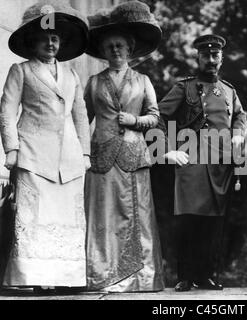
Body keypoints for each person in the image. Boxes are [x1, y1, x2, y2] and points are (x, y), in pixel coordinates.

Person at [0, 3, 91, 293]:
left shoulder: (72, 74)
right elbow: (6, 111)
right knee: (35, 215)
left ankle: (66, 278)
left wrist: (86, 153)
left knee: (65, 217)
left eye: (55, 38)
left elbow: (79, 114)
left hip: (69, 158)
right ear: (32, 42)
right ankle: (32, 277)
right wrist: (11, 150)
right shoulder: (21, 71)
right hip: (33, 154)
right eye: (44, 37)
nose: (50, 43)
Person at [84, 1, 164, 292]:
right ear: (103, 52)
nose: (115, 51)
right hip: (102, 155)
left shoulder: (143, 81)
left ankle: (140, 278)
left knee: (137, 215)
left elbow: (155, 117)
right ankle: (101, 275)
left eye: (120, 46)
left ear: (130, 50)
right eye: (109, 47)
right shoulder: (93, 83)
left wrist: (134, 119)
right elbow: (82, 120)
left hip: (134, 154)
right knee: (103, 216)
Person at [158, 34, 246, 291]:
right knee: (188, 220)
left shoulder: (229, 91)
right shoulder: (184, 88)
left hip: (221, 165)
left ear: (221, 58)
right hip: (191, 162)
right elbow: (157, 116)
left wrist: (239, 135)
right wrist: (167, 150)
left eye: (215, 55)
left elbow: (239, 117)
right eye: (205, 55)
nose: (210, 59)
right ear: (197, 57)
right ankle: (185, 276)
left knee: (213, 222)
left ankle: (206, 275)